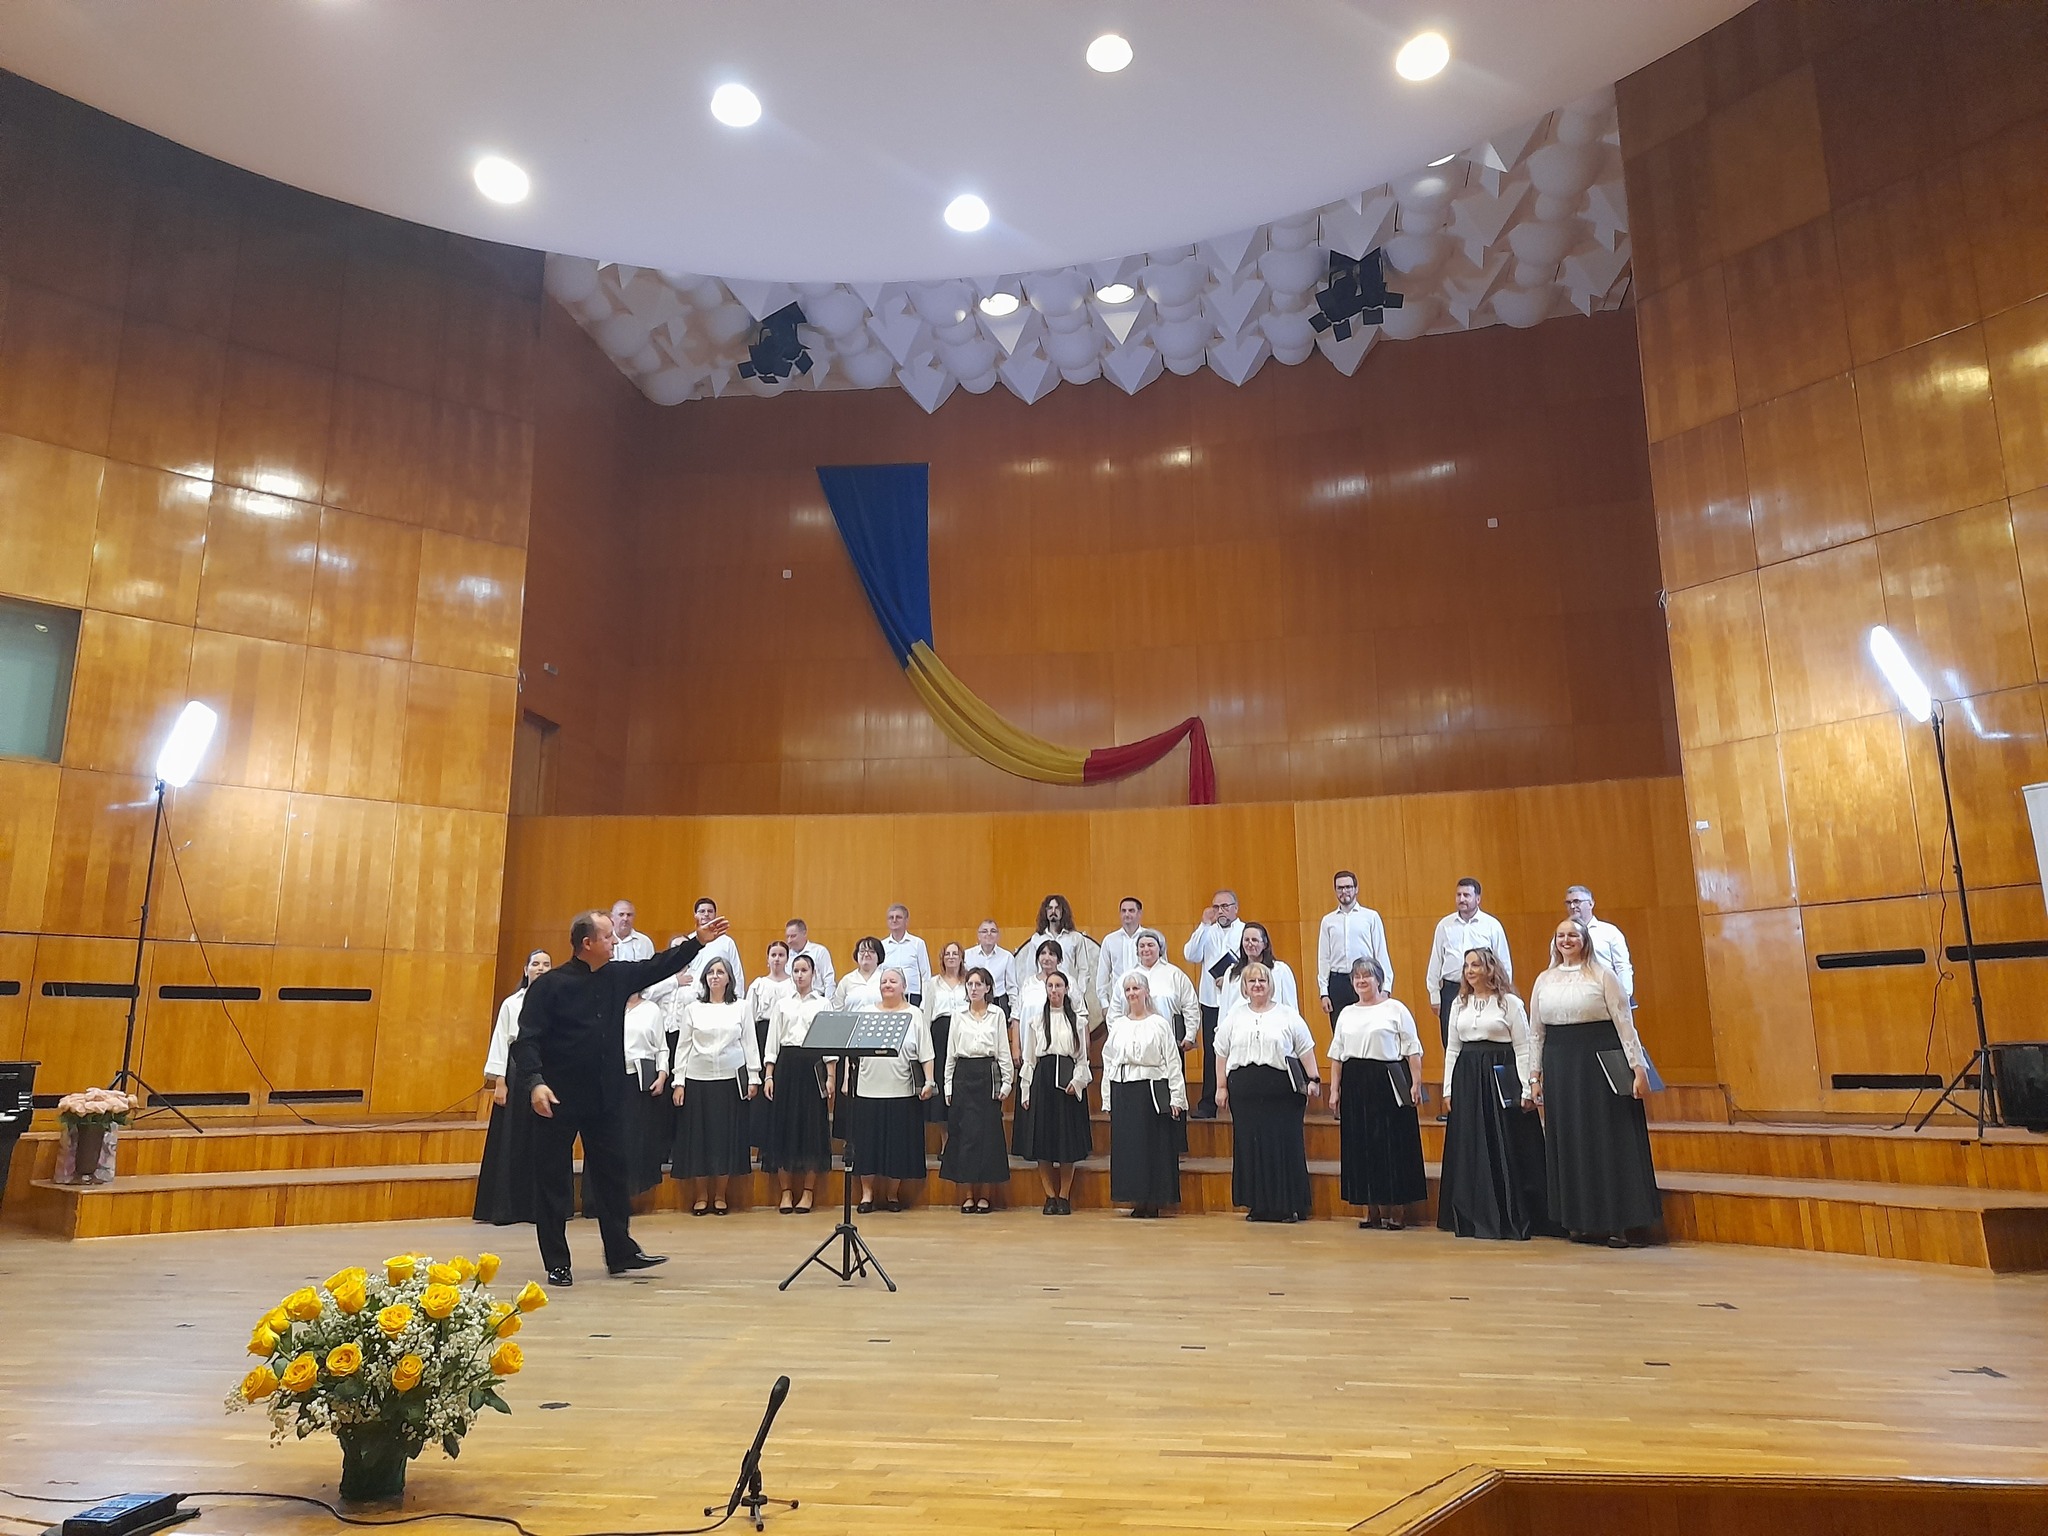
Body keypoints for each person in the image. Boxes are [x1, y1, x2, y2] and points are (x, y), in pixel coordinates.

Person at [512, 907, 723, 1285]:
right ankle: (557, 1262)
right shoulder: (550, 986)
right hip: (556, 1098)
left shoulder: (615, 976)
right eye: (607, 937)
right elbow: (527, 1040)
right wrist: (535, 1083)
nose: (614, 942)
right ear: (587, 943)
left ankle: (620, 1252)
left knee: (612, 1174)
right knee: (553, 1180)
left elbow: (657, 966)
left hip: (605, 1096)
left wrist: (697, 942)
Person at [1530, 918, 1659, 1247]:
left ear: (1585, 940)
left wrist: (1638, 1068)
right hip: (1560, 1066)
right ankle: (1579, 1220)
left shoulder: (1603, 975)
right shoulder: (1544, 980)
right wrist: (1534, 1076)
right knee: (1570, 1139)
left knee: (1607, 1138)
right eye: (1561, 936)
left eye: (1573, 935)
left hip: (1599, 1062)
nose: (1566, 940)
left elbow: (1624, 1022)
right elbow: (1536, 1033)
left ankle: (1618, 1222)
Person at [1437, 949, 1551, 1241]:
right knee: (1471, 1145)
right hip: (1468, 1079)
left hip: (1500, 1075)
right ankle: (1471, 1216)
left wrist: (1526, 1087)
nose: (1469, 970)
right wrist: (1448, 1088)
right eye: (1466, 966)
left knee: (1506, 1143)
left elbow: (1523, 1047)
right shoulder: (1459, 1003)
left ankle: (1511, 1214)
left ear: (1490, 969)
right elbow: (1452, 1048)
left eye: (1476, 965)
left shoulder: (1510, 1003)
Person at [1214, 962, 1320, 1223]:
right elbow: (1221, 1051)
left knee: (1284, 1146)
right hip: (1245, 1092)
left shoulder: (1287, 1015)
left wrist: (1314, 1079)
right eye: (1252, 981)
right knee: (1250, 1146)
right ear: (1244, 987)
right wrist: (1221, 1086)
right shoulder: (1235, 1016)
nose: (1257, 985)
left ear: (1270, 984)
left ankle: (1288, 1205)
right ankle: (1258, 1205)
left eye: (1262, 980)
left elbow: (1305, 1048)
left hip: (1282, 1092)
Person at [1326, 959, 1426, 1230]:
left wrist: (1416, 1083)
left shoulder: (1396, 1009)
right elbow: (1337, 1055)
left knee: (1392, 1144)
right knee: (1361, 1145)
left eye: (1367, 976)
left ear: (1379, 980)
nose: (1361, 981)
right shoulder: (1346, 1013)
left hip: (1388, 1080)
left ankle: (1397, 1209)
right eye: (1357, 977)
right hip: (1355, 1081)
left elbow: (1412, 1049)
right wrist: (1334, 1089)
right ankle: (1371, 1210)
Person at [669, 957, 760, 1216]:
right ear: (705, 978)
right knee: (700, 1140)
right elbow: (683, 1046)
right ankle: (701, 1196)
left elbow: (749, 1043)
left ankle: (720, 1196)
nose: (715, 976)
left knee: (724, 1140)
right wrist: (679, 1082)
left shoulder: (741, 1007)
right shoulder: (693, 1009)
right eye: (710, 972)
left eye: (720, 972)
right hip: (698, 1081)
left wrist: (754, 1077)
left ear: (729, 978)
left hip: (730, 1082)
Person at [1101, 972, 1187, 1218]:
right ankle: (1137, 1199)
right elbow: (1109, 1061)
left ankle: (1154, 1200)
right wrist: (1107, 1097)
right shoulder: (1119, 1025)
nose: (1132, 993)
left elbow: (1173, 1061)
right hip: (1124, 1090)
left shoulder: (1159, 1024)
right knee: (1130, 1148)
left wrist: (1176, 1097)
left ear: (1146, 991)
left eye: (1136, 988)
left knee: (1153, 1146)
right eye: (1128, 990)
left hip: (1151, 1090)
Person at [847, 967, 934, 1212]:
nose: (887, 984)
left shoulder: (915, 1014)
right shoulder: (866, 1013)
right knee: (867, 1146)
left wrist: (929, 1081)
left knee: (897, 1146)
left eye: (893, 981)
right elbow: (852, 1052)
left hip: (902, 1091)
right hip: (868, 1089)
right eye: (884, 981)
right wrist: (846, 1081)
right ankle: (867, 1195)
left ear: (904, 986)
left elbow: (926, 1053)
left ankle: (892, 1194)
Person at [475, 949, 549, 1225]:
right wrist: (500, 1081)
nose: (540, 968)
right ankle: (508, 1208)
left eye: (546, 964)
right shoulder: (512, 1003)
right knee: (512, 1141)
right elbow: (500, 1041)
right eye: (536, 964)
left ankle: (539, 1208)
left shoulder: (558, 1001)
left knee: (542, 1140)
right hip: (516, 1074)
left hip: (547, 1073)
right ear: (526, 969)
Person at [1015, 967, 1093, 1214]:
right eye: (1050, 986)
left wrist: (1077, 1082)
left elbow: (1082, 1059)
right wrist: (1026, 1090)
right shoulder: (1037, 1020)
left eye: (1058, 986)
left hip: (1067, 1083)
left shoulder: (1077, 1021)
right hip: (1043, 1080)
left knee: (1067, 1143)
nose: (1054, 990)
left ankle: (1064, 1195)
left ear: (1066, 989)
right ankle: (1049, 1196)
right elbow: (1030, 1059)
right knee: (1043, 1142)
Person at [762, 953, 834, 1214]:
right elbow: (773, 1042)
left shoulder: (823, 1003)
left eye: (805, 970)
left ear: (813, 973)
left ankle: (807, 1192)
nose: (800, 975)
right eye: (796, 970)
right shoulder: (782, 1004)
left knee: (812, 1128)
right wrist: (769, 1075)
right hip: (787, 1066)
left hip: (813, 1066)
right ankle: (786, 1192)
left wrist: (831, 1076)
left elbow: (829, 1045)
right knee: (784, 1127)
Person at [938, 966, 1013, 1213]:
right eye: (970, 984)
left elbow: (1003, 1051)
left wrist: (1007, 1081)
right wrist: (948, 1085)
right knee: (966, 1136)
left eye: (978, 984)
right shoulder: (958, 1015)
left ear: (987, 988)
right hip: (963, 1075)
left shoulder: (997, 1014)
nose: (973, 988)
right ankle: (968, 1195)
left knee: (988, 1137)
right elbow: (951, 1053)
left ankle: (986, 1196)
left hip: (987, 1074)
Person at [1424, 878, 1512, 1049]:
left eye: (1466, 895)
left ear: (1478, 899)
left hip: (1484, 988)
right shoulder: (1444, 925)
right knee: (1450, 1041)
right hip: (1452, 989)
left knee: (1481, 1035)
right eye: (1458, 895)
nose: (1462, 899)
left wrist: (1503, 991)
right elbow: (1435, 961)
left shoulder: (1491, 925)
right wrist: (1434, 995)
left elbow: (1503, 962)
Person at [1183, 889, 1245, 1118]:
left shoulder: (1244, 931)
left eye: (1225, 906)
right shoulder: (1207, 931)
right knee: (1211, 1051)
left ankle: (1238, 1101)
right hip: (1211, 1001)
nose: (1220, 911)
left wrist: (1230, 979)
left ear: (1235, 908)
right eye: (1216, 907)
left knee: (1238, 1049)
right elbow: (1191, 955)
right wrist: (1203, 925)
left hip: (1238, 1000)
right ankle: (1208, 1103)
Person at [1316, 871, 1393, 1020]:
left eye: (1348, 887)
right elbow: (1324, 958)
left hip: (1366, 978)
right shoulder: (1328, 921)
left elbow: (1381, 953)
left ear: (1356, 889)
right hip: (1338, 982)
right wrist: (1323, 992)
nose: (1344, 891)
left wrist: (1386, 988)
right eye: (1340, 888)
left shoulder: (1371, 917)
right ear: (1335, 890)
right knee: (1341, 1027)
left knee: (1369, 1024)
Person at [743, 942, 796, 1156]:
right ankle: (764, 1145)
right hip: (762, 1035)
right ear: (767, 959)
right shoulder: (758, 984)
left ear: (787, 959)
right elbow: (748, 1017)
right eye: (773, 954)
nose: (777, 959)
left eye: (781, 955)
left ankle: (784, 1143)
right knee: (764, 1091)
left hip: (786, 1038)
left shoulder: (793, 984)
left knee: (783, 1088)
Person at [1104, 930, 1198, 1048]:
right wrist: (1116, 1038)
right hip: (1133, 1044)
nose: (1146, 949)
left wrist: (1190, 1035)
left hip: (1169, 1041)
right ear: (1137, 951)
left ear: (1160, 948)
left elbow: (1190, 1005)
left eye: (1150, 945)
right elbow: (1114, 1012)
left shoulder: (1175, 975)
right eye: (1142, 946)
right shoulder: (1126, 977)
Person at [620, 988, 673, 1196]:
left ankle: (632, 1192)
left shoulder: (652, 1009)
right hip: (612, 1078)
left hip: (641, 1079)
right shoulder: (610, 1004)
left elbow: (662, 1047)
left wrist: (662, 1075)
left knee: (637, 1135)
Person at [924, 941, 970, 1123]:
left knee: (961, 1077)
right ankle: (945, 1137)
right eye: (947, 954)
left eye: (955, 953)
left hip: (964, 1033)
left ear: (961, 958)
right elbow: (927, 1014)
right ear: (942, 959)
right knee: (942, 1078)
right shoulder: (933, 983)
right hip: (940, 1034)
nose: (951, 957)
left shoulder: (969, 982)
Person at [1564, 886, 1634, 1000]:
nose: (1572, 906)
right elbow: (1555, 966)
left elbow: (1622, 966)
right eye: (1568, 903)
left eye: (1577, 901)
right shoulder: (1562, 935)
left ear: (1591, 904)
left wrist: (1624, 996)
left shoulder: (1609, 931)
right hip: (1575, 997)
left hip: (1607, 994)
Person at [1218, 922, 1298, 1018]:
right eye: (1246, 940)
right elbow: (1224, 1009)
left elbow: (1290, 1008)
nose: (1250, 944)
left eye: (1254, 940)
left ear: (1265, 944)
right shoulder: (1232, 972)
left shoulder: (1280, 970)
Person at [1095, 896, 1148, 1014]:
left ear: (1140, 913)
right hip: (1118, 1001)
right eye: (1123, 911)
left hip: (1145, 1001)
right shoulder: (1110, 940)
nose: (1127, 914)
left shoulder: (1150, 938)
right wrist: (1104, 1004)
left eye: (1131, 911)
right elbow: (1102, 975)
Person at [881, 904, 932, 1007]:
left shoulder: (917, 943)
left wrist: (924, 1004)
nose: (894, 920)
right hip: (889, 996)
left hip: (912, 997)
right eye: (891, 917)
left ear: (906, 921)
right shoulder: (882, 945)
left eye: (898, 917)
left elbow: (925, 975)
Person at [967, 919, 1017, 1012]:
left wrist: (1014, 1012)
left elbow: (1012, 987)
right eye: (984, 931)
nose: (989, 934)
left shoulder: (1007, 957)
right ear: (978, 935)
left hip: (999, 1002)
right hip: (973, 1002)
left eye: (993, 931)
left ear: (998, 936)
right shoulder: (967, 955)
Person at [785, 918, 836, 998]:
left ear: (804, 933)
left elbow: (829, 979)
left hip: (817, 998)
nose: (789, 941)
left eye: (793, 936)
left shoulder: (819, 951)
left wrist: (828, 1002)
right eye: (787, 936)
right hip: (793, 999)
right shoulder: (785, 955)